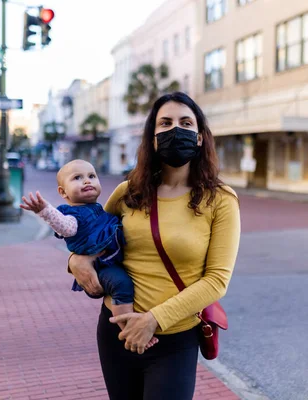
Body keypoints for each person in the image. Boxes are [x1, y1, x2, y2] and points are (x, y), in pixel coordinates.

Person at [68, 92, 241, 399]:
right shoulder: (129, 191)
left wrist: (152, 320)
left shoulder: (220, 199)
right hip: (116, 332)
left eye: (186, 122)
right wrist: (74, 262)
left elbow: (216, 280)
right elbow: (91, 239)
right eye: (166, 123)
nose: (176, 129)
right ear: (152, 137)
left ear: (200, 138)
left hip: (173, 339)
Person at [19, 160, 158, 348]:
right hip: (101, 266)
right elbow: (65, 226)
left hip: (109, 260)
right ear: (63, 192)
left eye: (91, 176)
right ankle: (129, 330)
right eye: (77, 178)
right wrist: (45, 211)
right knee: (121, 284)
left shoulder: (98, 208)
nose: (87, 181)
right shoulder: (72, 215)